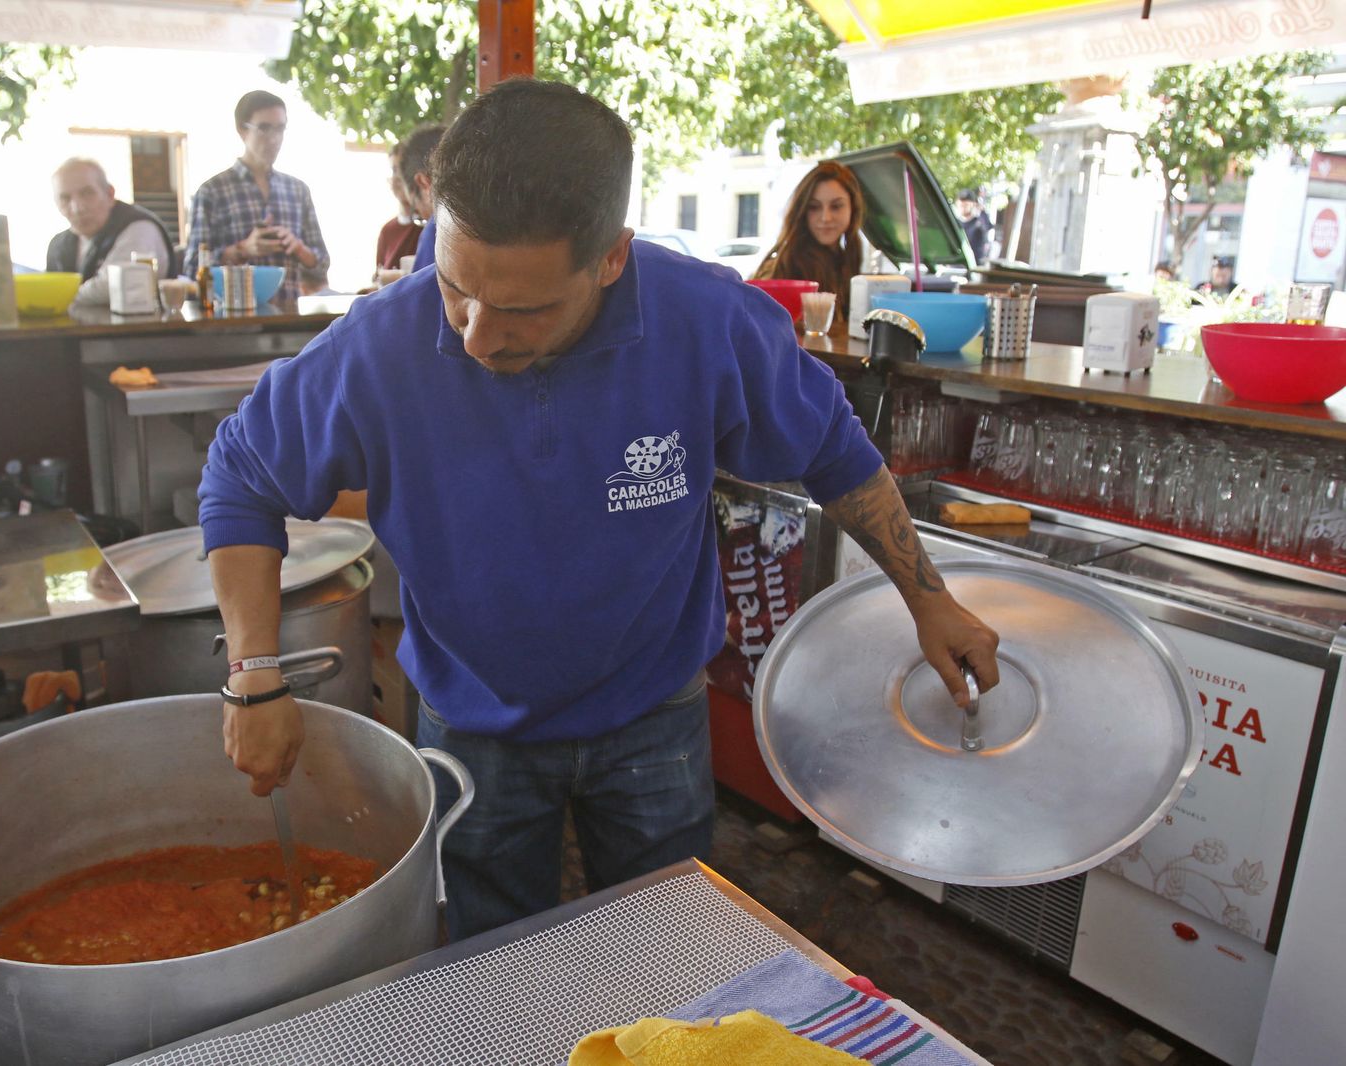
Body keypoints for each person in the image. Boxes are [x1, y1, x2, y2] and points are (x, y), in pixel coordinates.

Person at [199, 79, 999, 942]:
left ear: (612, 258)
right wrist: (253, 674)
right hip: (473, 726)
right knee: (490, 965)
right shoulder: (379, 345)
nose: (474, 336)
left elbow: (834, 450)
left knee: (662, 953)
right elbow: (241, 475)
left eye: (523, 309)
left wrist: (931, 598)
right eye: (458, 287)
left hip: (653, 716)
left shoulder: (706, 319)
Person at [184, 90, 329, 305]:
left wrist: (297, 247)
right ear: (242, 130)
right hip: (232, 323)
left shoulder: (298, 191)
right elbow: (193, 269)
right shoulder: (213, 191)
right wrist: (242, 250)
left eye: (280, 128)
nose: (274, 138)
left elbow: (322, 263)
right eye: (264, 128)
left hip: (289, 321)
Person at [46, 158, 175, 306]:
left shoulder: (139, 228)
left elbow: (113, 287)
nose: (77, 208)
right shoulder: (58, 244)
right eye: (65, 198)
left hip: (138, 328)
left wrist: (58, 297)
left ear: (109, 194)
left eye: (87, 193)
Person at [752, 161, 865, 324]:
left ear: (853, 208)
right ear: (802, 211)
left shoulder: (850, 261)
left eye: (836, 206)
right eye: (814, 207)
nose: (826, 217)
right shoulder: (783, 268)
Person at [398, 124, 445, 272]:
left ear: (424, 183)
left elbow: (423, 294)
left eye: (415, 207)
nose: (421, 215)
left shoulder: (438, 228)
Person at [374, 142, 423, 284]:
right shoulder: (387, 230)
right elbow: (379, 277)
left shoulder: (430, 225)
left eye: (403, 169)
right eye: (394, 170)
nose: (399, 177)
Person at [955, 189, 994, 264]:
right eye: (961, 205)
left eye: (966, 205)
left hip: (975, 265)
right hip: (958, 265)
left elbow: (987, 227)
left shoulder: (979, 222)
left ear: (973, 204)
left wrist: (981, 210)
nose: (963, 207)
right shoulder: (955, 223)